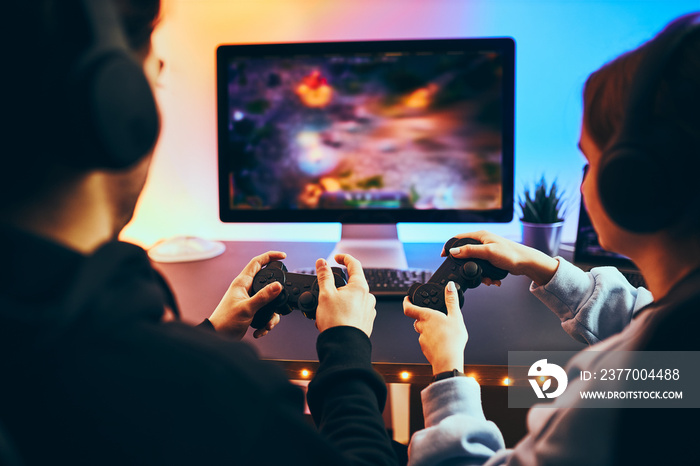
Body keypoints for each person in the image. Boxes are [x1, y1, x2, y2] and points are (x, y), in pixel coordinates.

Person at [0, 1, 399, 465]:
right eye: (156, 75)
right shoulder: (227, 398)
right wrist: (347, 346)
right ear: (116, 103)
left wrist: (209, 335)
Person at [403, 12, 700, 466]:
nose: (583, 182)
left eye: (590, 161)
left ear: (633, 181)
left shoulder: (612, 385)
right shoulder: (683, 326)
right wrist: (546, 267)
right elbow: (656, 333)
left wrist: (447, 371)